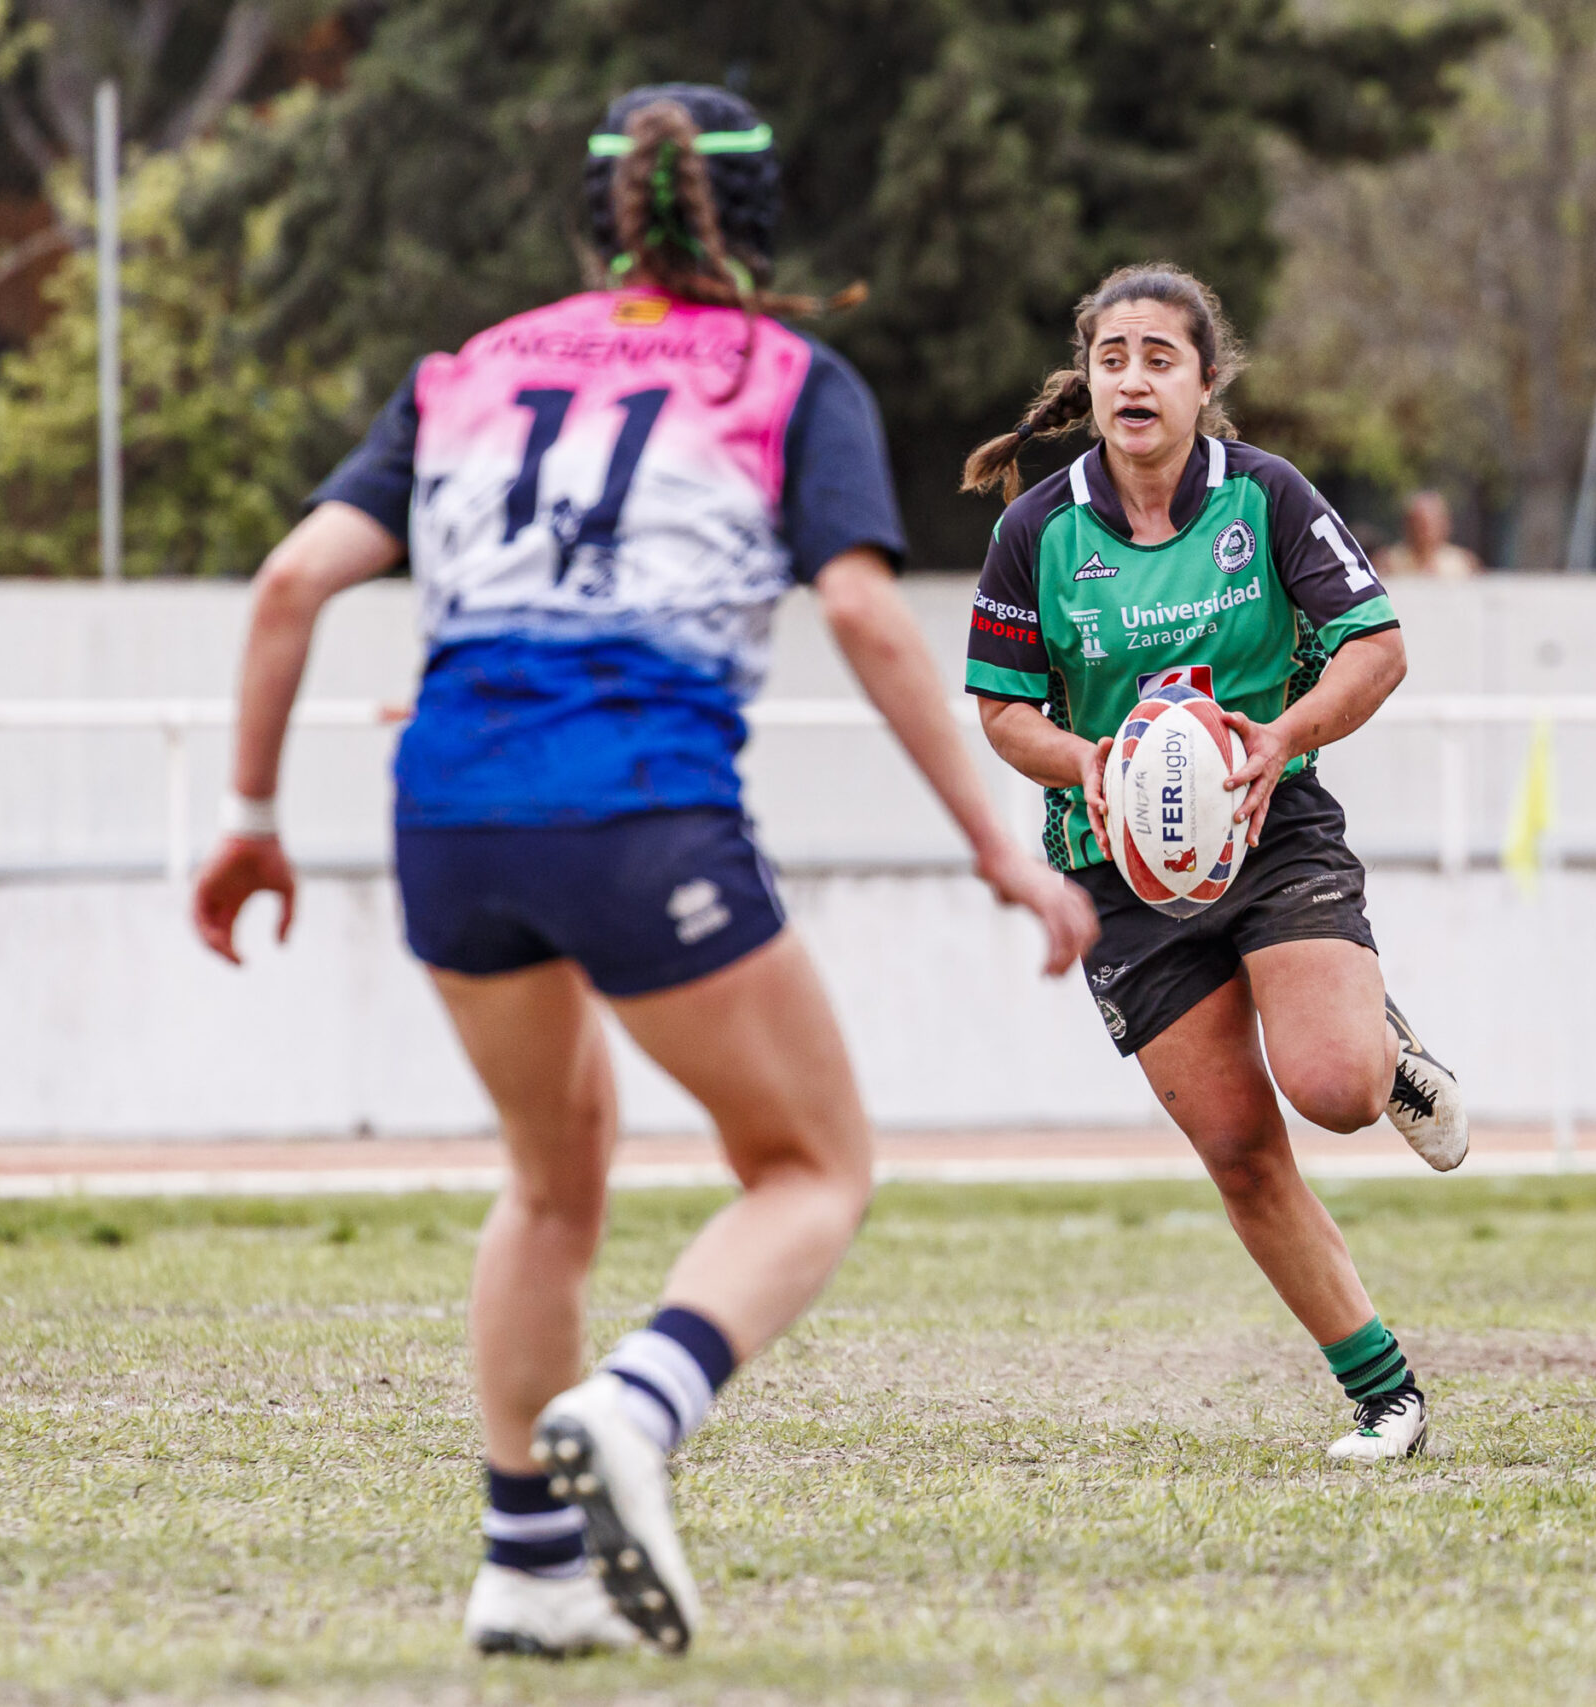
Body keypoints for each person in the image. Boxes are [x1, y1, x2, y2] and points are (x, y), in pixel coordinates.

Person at [190, 84, 1096, 1660]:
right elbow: (874, 621)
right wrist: (997, 848)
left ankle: (526, 1567)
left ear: (600, 216)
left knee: (551, 1176)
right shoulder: (788, 374)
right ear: (759, 225)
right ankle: (634, 1402)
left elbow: (289, 583)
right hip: (637, 806)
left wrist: (251, 813)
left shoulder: (471, 368)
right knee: (812, 1162)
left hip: (448, 809)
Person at [959, 262, 1470, 1466]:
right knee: (1239, 1151)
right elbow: (1000, 713)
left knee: (1337, 1092)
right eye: (1112, 358)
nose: (1132, 378)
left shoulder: (1267, 499)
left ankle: (1383, 1045)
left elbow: (1377, 649)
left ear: (1204, 382)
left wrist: (1281, 736)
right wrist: (1091, 763)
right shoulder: (1037, 529)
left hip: (1269, 826)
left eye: (1158, 358)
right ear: (1086, 381)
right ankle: (1385, 1398)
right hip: (1115, 870)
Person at [1375, 489, 1483, 579]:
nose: (1425, 529)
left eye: (1432, 521)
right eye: (1419, 522)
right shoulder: (1388, 563)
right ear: (1407, 524)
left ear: (1445, 523)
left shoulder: (1463, 564)